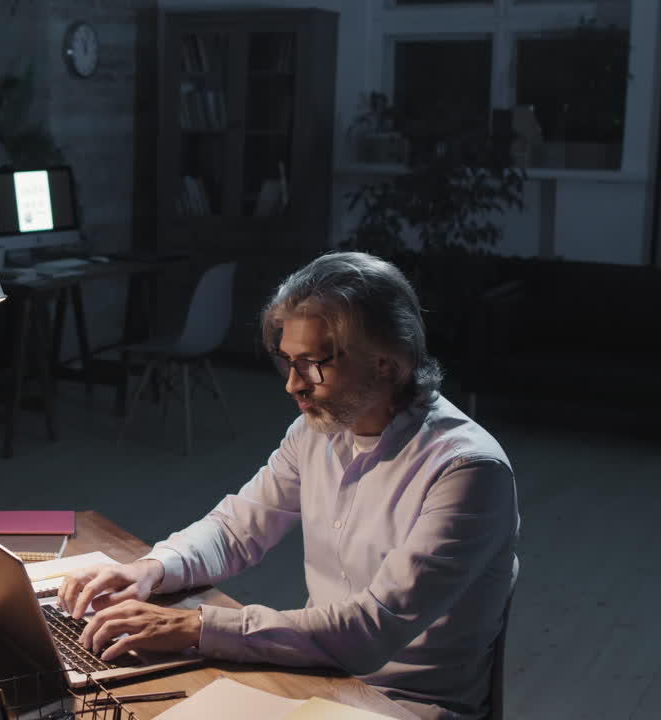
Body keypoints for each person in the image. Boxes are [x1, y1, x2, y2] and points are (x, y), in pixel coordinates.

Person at [58, 252, 519, 720]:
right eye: (287, 361)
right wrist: (152, 568)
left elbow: (371, 629)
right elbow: (237, 529)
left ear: (385, 362)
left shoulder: (467, 470)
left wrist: (196, 626)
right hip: (321, 678)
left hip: (405, 704)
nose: (293, 385)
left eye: (312, 364)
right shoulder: (316, 432)